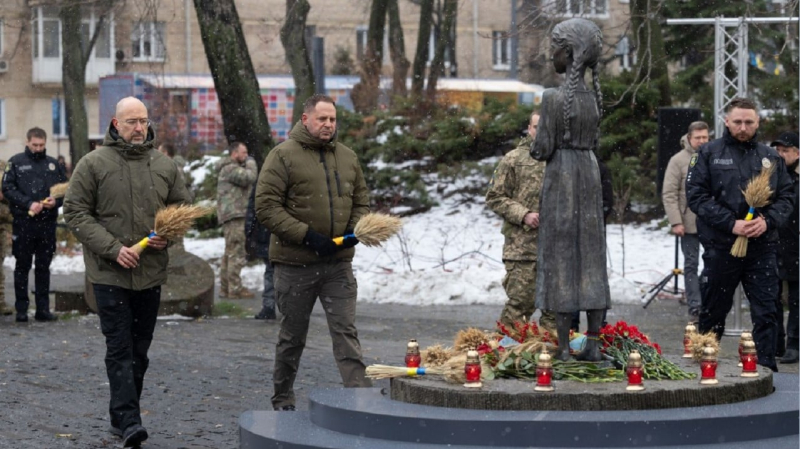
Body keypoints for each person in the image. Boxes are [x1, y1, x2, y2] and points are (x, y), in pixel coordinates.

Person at [63, 97, 191, 447]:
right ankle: (130, 421)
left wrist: (170, 237)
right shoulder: (93, 164)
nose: (139, 128)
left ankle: (121, 415)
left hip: (149, 274)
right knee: (119, 347)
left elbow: (181, 210)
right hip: (109, 275)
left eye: (143, 121)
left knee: (140, 350)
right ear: (115, 124)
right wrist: (113, 248)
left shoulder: (163, 165)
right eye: (132, 121)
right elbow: (75, 212)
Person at [256, 94, 372, 411]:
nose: (328, 125)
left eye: (332, 119)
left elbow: (362, 200)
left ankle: (360, 399)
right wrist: (307, 236)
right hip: (295, 266)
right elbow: (266, 208)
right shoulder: (282, 156)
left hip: (337, 266)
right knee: (292, 338)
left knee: (346, 333)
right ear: (305, 119)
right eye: (322, 119)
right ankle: (282, 398)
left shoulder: (348, 157)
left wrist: (354, 231)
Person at [686, 97, 794, 372]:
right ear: (726, 121)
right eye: (737, 122)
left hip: (761, 248)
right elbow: (696, 196)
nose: (743, 127)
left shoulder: (770, 157)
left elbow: (786, 198)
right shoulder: (708, 153)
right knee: (712, 312)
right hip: (721, 246)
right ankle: (706, 367)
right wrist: (730, 223)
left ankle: (767, 369)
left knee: (767, 311)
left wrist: (768, 222)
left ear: (758, 122)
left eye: (749, 122)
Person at [529, 18, 610, 362]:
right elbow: (593, 140)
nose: (551, 57)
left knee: (562, 257)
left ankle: (562, 347)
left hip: (562, 178)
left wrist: (533, 142)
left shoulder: (551, 98)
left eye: (555, 50)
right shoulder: (592, 98)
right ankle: (592, 343)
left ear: (570, 53)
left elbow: (542, 149)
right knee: (591, 258)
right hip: (588, 176)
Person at [486, 112, 556, 331]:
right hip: (522, 247)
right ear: (529, 128)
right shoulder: (513, 159)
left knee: (555, 309)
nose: (540, 132)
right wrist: (523, 214)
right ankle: (504, 354)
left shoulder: (561, 159)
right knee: (520, 304)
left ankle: (548, 357)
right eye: (537, 127)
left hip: (556, 247)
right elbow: (494, 197)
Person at [2, 127, 68, 323]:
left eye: (41, 145)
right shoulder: (16, 162)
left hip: (47, 224)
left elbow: (64, 191)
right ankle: (21, 309)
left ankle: (43, 309)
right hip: (23, 223)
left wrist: (55, 202)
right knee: (22, 266)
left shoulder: (53, 165)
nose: (38, 149)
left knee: (43, 267)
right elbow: (7, 189)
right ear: (27, 142)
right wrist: (28, 203)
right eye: (34, 145)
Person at [662, 121, 710, 320]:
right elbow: (669, 193)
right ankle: (695, 306)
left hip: (712, 221)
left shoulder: (715, 156)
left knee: (713, 264)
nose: (701, 141)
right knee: (691, 265)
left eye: (705, 137)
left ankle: (707, 298)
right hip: (688, 222)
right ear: (689, 138)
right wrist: (676, 221)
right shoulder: (678, 160)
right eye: (698, 137)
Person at [771, 131, 799, 364]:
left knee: (797, 299)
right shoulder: (769, 175)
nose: (780, 155)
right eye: (777, 151)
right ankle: (776, 341)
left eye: (785, 151)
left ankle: (795, 343)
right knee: (772, 296)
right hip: (773, 243)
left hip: (796, 244)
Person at [217, 141, 258, 299]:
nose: (246, 156)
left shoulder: (228, 167)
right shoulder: (230, 168)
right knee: (236, 251)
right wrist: (252, 163)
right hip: (234, 215)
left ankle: (226, 287)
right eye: (244, 152)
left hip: (231, 215)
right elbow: (250, 177)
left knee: (229, 252)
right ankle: (235, 288)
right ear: (234, 153)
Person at [245, 183, 276, 320]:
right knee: (273, 270)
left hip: (269, 232)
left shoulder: (264, 179)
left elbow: (253, 207)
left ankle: (270, 306)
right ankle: (271, 306)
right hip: (269, 233)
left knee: (272, 271)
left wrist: (249, 231)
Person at [0, 160, 12, 316]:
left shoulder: (5, 166)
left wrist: (5, 195)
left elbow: (14, 191)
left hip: (3, 224)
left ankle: (0, 301)